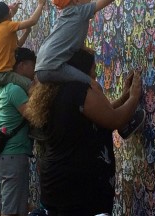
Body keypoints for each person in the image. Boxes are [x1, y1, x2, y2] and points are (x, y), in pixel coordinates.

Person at [26, 48, 143, 216]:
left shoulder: (59, 91)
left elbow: (101, 114)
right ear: (81, 69)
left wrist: (125, 96)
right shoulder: (77, 90)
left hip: (59, 183)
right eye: (94, 68)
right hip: (78, 188)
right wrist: (134, 96)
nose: (95, 74)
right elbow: (115, 120)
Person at [35, 0, 144, 138]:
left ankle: (115, 115)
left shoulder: (64, 18)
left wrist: (83, 48)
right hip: (53, 66)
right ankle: (122, 123)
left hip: (42, 67)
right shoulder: (79, 11)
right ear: (76, 0)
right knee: (94, 86)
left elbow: (64, 41)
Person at [0, 47, 36, 216]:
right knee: (10, 210)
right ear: (21, 65)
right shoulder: (15, 90)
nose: (33, 71)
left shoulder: (1, 89)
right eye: (32, 66)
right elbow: (32, 115)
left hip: (0, 155)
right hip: (13, 155)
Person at [0, 0, 46, 92]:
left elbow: (18, 45)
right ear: (7, 15)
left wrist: (27, 32)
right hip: (2, 74)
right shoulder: (8, 26)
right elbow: (32, 21)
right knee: (32, 87)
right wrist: (40, 4)